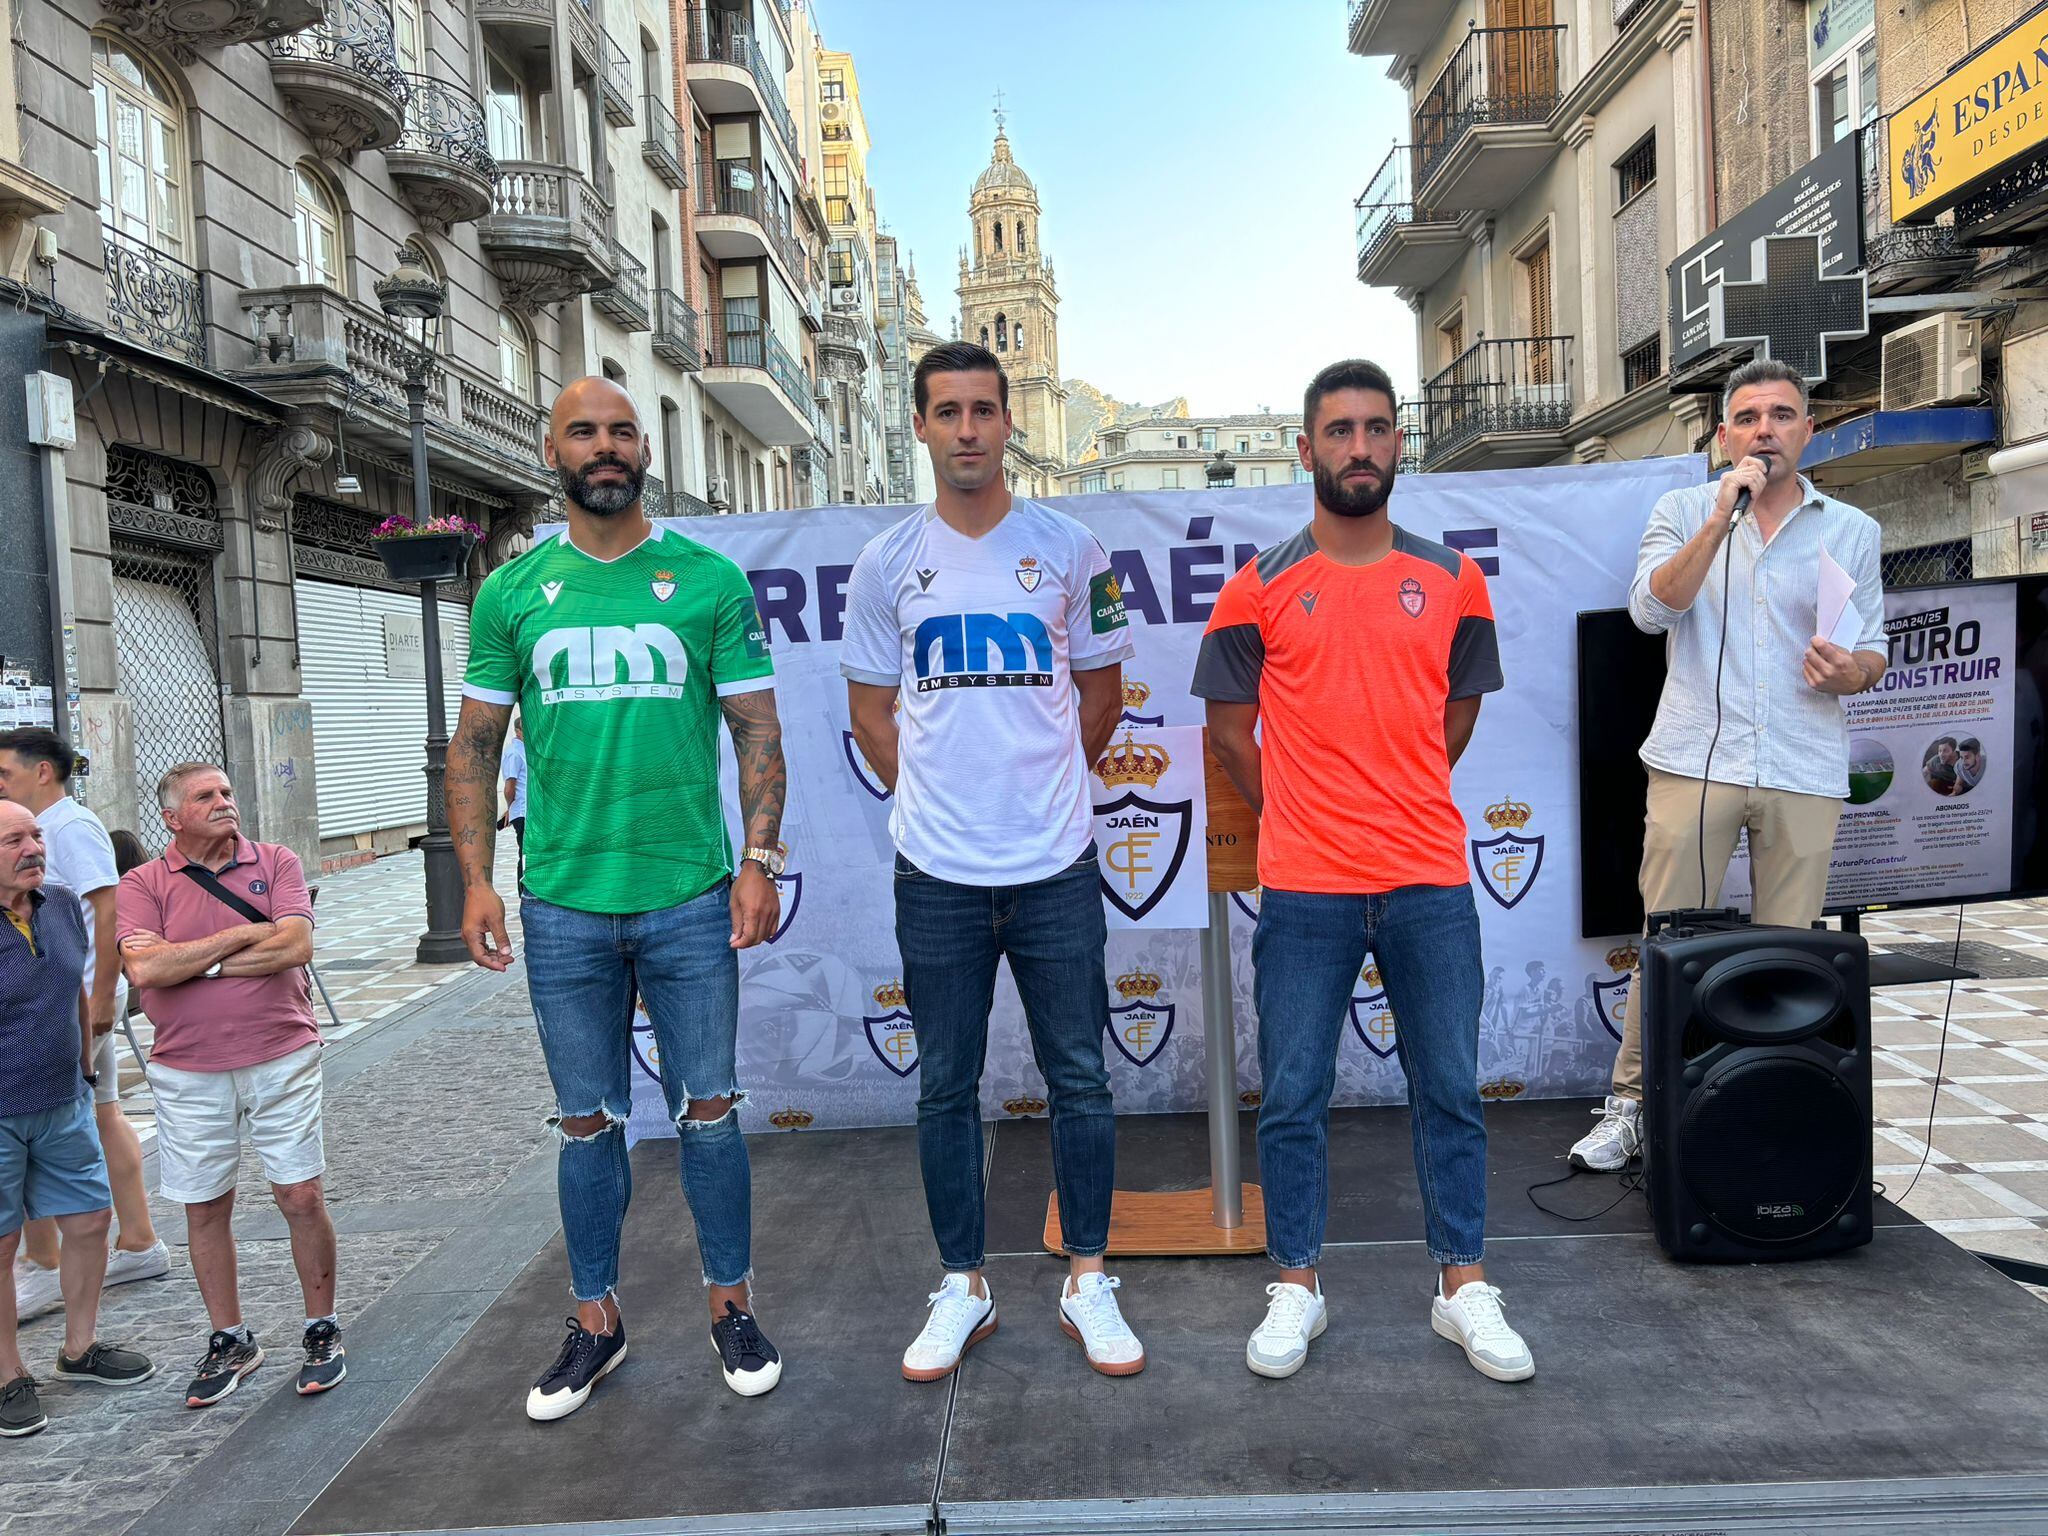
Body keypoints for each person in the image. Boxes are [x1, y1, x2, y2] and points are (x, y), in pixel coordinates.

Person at [449, 375, 789, 1421]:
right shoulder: (511, 593)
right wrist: (473, 882)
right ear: (551, 453)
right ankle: (595, 1323)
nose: (605, 447)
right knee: (585, 1123)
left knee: (711, 1113)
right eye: (583, 432)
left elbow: (756, 733)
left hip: (688, 894)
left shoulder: (704, 579)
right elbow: (473, 745)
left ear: (643, 451)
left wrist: (759, 858)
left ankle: (730, 1306)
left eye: (622, 431)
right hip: (561, 902)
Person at [1196, 357, 1532, 1384]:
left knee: (1447, 1090)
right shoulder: (1256, 587)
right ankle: (1295, 1287)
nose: (1356, 447)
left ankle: (1461, 1288)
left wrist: (1398, 785)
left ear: (1398, 444)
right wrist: (1296, 809)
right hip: (1305, 885)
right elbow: (1224, 728)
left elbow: (1457, 713)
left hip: (1428, 877)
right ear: (1304, 451)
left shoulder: (1449, 579)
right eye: (1336, 431)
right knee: (1294, 1094)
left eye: (1374, 429)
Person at [841, 340, 1143, 1382]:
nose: (966, 428)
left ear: (1009, 421)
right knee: (943, 1089)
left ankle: (1088, 1281)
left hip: (1055, 865)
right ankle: (962, 1286)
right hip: (935, 876)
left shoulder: (1076, 549)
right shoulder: (885, 564)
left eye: (983, 409)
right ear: (919, 427)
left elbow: (1101, 698)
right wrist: (936, 800)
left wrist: (1038, 785)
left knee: (1080, 1080)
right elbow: (869, 713)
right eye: (946, 411)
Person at [1570, 356, 1888, 1172]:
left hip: (1802, 759)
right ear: (1723, 435)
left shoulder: (1850, 530)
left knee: (1789, 951)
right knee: (1665, 940)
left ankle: (1776, 1100)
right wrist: (1721, 518)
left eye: (1782, 415)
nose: (1765, 430)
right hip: (1694, 758)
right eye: (1748, 417)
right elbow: (1650, 611)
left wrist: (1851, 672)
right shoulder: (1684, 509)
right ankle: (1634, 1105)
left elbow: (1872, 653)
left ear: (1807, 431)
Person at [116, 764, 345, 1406]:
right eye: (204, 797)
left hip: (281, 1053)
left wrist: (191, 961)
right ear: (172, 818)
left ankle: (320, 1327)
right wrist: (248, 933)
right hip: (186, 1067)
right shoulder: (142, 882)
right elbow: (144, 967)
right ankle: (230, 1338)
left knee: (300, 1195)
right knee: (205, 1205)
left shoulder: (275, 860)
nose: (223, 803)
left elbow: (295, 945)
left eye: (226, 793)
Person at [0, 731, 166, 1328]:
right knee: (100, 1112)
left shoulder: (68, 827)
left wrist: (99, 996)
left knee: (82, 1114)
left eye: (4, 772)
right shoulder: (53, 825)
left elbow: (107, 906)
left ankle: (58, 1259)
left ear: (42, 772)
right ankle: (129, 1243)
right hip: (60, 999)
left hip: (77, 999)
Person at [1, 800, 154, 1439]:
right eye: (15, 839)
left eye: (36, 834)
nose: (34, 847)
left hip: (64, 1096)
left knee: (90, 1221)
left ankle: (78, 1349)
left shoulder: (61, 904)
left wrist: (86, 1064)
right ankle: (8, 1377)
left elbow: (79, 986)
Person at [499, 716, 528, 881]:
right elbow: (510, 787)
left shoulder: (525, 750)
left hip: (529, 809)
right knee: (524, 852)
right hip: (521, 809)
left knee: (528, 851)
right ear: (518, 731)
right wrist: (510, 808)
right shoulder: (513, 753)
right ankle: (522, 891)